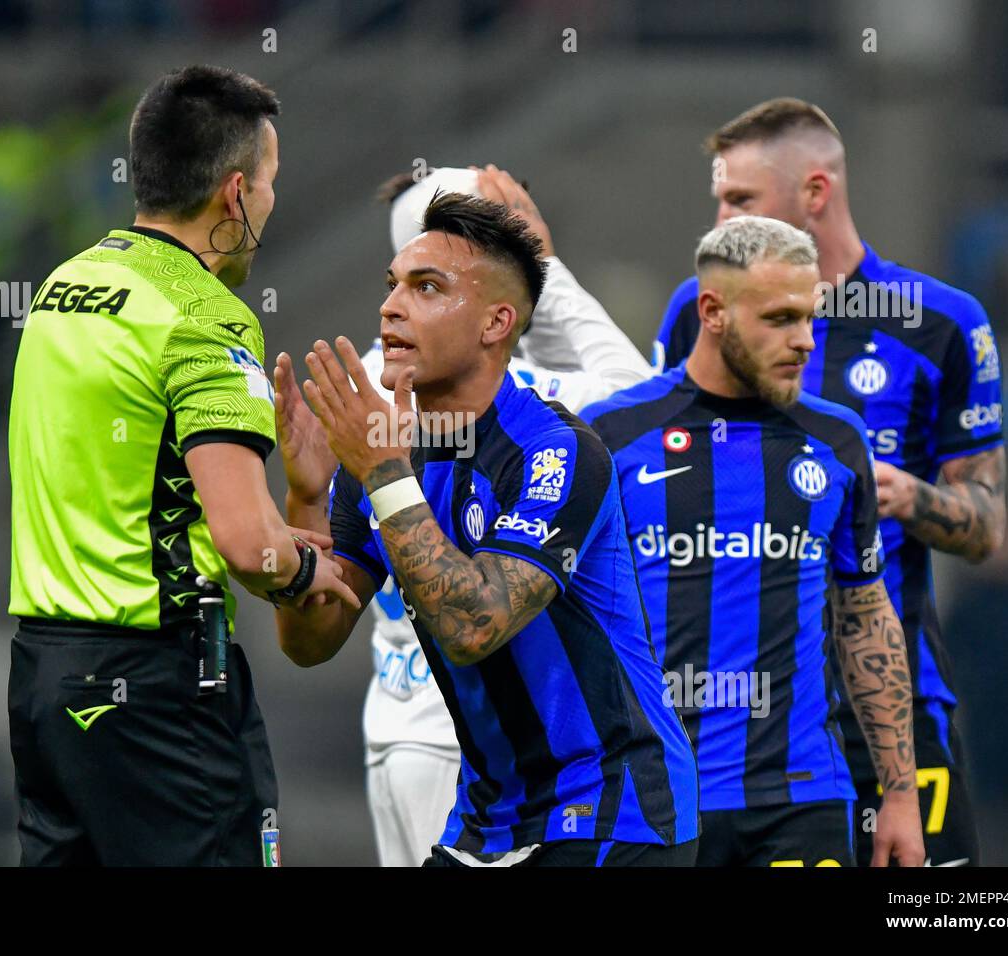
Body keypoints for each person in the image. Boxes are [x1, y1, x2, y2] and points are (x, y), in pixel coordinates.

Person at [274, 192, 699, 866]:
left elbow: (475, 625)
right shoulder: (381, 453)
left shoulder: (555, 450)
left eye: (427, 287)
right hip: (486, 818)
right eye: (392, 287)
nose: (390, 306)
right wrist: (304, 497)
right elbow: (310, 641)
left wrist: (384, 474)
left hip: (610, 810)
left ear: (497, 321)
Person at [6, 65, 356, 866]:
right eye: (270, 183)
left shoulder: (67, 287)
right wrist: (310, 573)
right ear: (234, 194)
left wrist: (300, 494)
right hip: (158, 686)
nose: (271, 204)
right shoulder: (204, 315)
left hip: (44, 678)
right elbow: (243, 545)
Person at [653, 99, 1004, 866]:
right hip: (738, 722)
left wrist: (905, 495)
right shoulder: (697, 310)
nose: (719, 217)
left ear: (814, 193)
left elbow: (987, 526)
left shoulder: (940, 322)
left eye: (740, 199)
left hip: (894, 703)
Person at [584, 216, 924, 866]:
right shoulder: (610, 436)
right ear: (713, 312)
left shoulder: (838, 439)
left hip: (802, 802)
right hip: (649, 806)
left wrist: (900, 798)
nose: (804, 342)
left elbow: (864, 617)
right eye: (779, 319)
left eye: (809, 319)